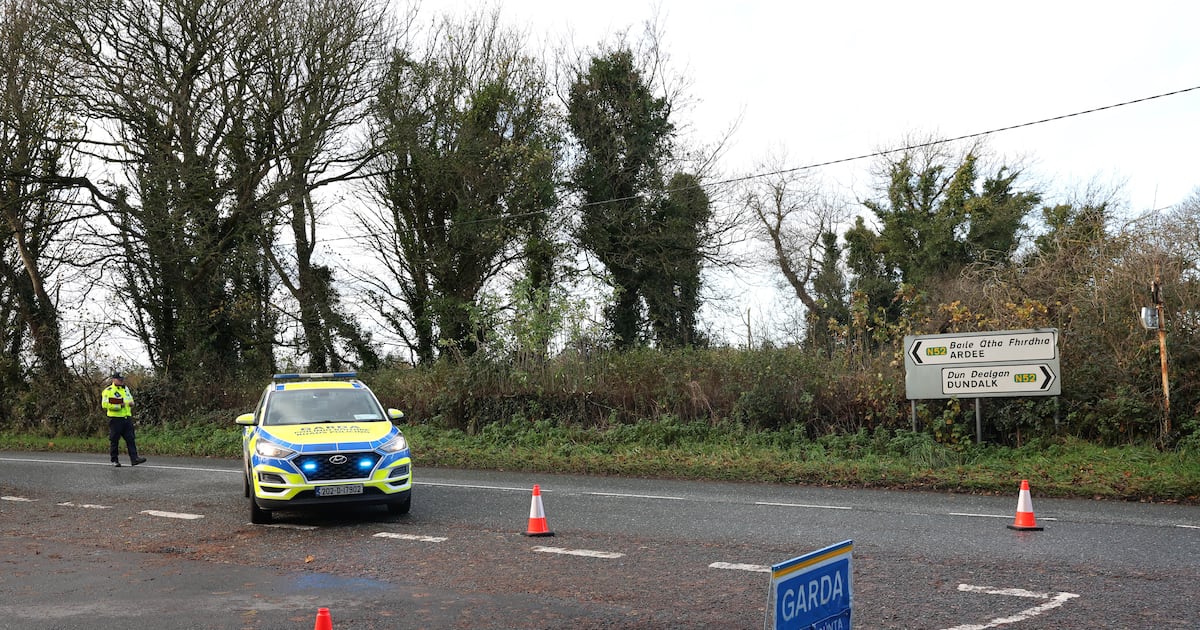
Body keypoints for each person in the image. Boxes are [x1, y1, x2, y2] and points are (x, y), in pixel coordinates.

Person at [102, 372, 146, 467]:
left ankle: (134, 459)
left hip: (126, 417)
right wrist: (118, 406)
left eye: (122, 379)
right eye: (119, 379)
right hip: (115, 419)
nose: (121, 381)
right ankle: (114, 460)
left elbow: (130, 399)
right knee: (114, 440)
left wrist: (131, 403)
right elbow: (105, 404)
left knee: (131, 439)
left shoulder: (125, 389)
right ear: (114, 380)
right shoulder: (108, 390)